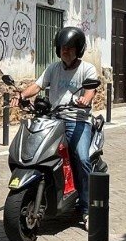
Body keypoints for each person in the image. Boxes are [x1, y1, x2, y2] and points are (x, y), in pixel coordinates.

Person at [17, 26, 99, 226]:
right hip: (53, 119)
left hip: (77, 120)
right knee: (39, 152)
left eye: (70, 48)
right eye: (63, 47)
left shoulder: (87, 69)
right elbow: (38, 85)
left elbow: (91, 90)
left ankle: (87, 208)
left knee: (81, 158)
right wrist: (22, 95)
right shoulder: (53, 68)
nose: (65, 51)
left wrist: (85, 100)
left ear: (78, 49)